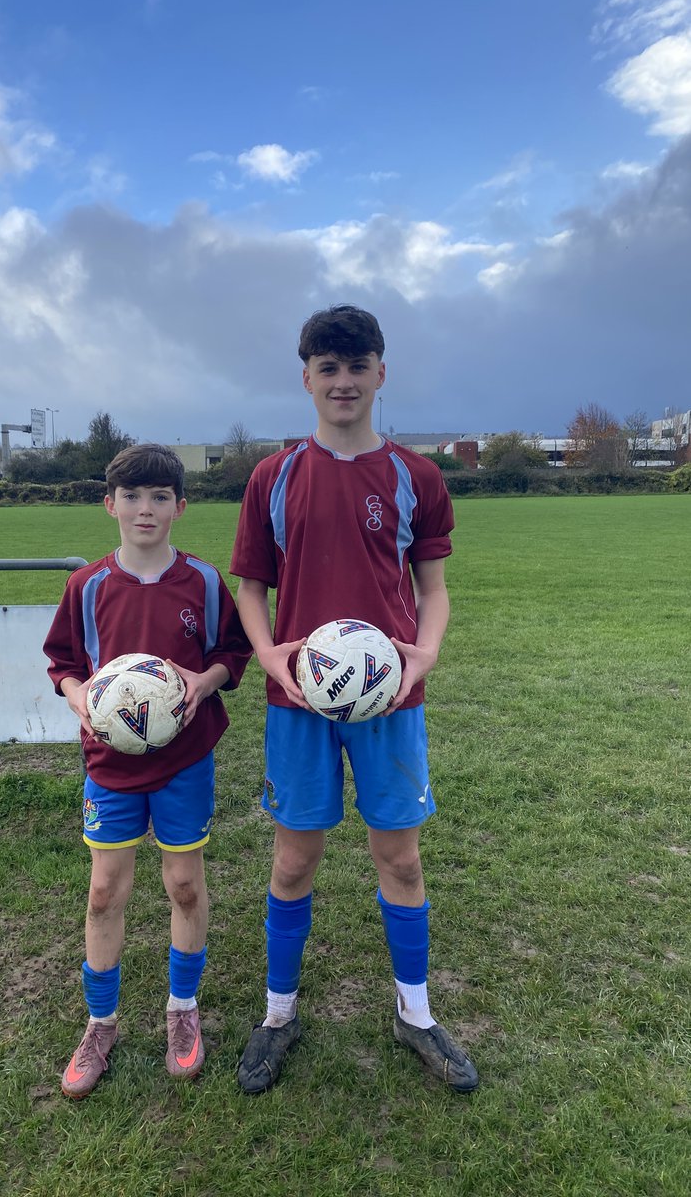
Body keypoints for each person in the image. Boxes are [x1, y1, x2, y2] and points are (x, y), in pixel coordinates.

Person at [230, 305, 478, 1095]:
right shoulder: (274, 477)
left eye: (357, 365)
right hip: (297, 704)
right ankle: (277, 1016)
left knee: (399, 856)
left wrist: (425, 652)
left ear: (381, 373)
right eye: (327, 367)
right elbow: (251, 587)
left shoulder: (416, 476)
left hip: (390, 702)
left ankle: (416, 1013)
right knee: (294, 858)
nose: (343, 381)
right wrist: (269, 653)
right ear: (306, 378)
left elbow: (433, 591)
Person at [44, 443, 251, 1099]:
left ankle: (182, 1010)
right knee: (105, 889)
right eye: (132, 497)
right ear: (110, 505)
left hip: (184, 761)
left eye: (160, 497)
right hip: (110, 762)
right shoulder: (88, 587)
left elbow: (231, 651)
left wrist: (207, 677)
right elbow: (64, 663)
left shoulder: (204, 582)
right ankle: (100, 1023)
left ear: (180, 508)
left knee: (185, 884)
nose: (145, 509)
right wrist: (83, 700)